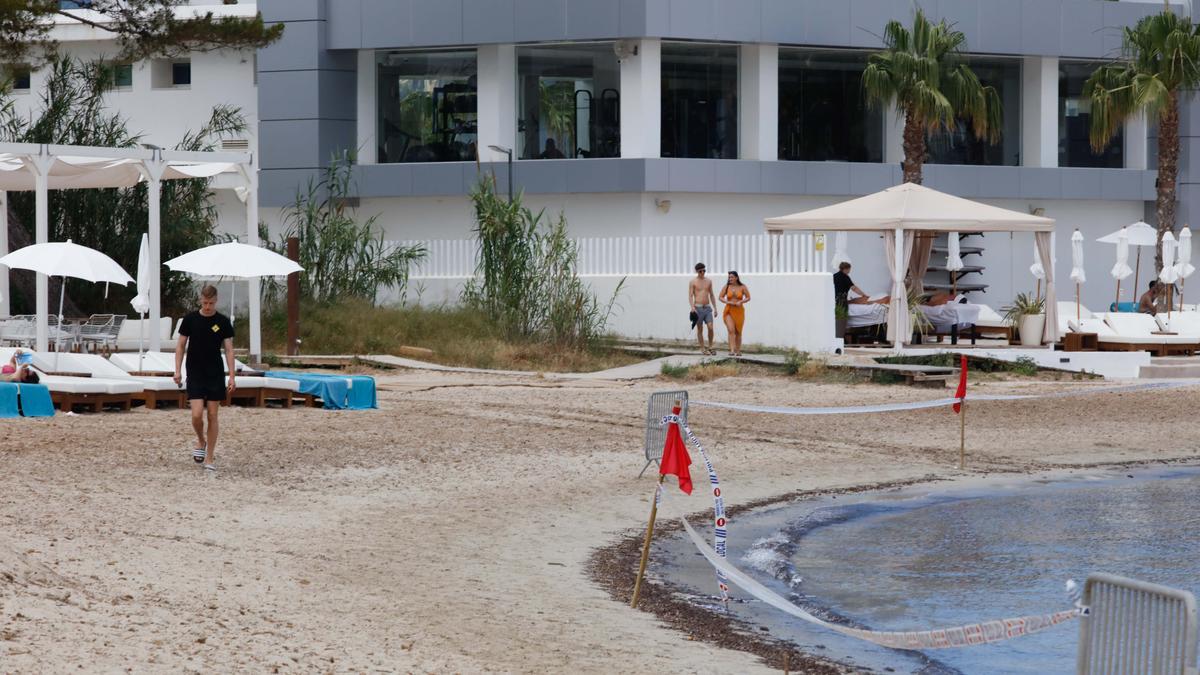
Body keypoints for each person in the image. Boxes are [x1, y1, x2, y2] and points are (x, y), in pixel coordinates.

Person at [174, 285, 236, 473]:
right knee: (196, 414)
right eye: (205, 302)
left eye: (211, 303)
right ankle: (201, 439)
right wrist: (177, 370)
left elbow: (229, 350)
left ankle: (209, 456)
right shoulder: (190, 319)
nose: (208, 306)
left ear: (216, 301)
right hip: (195, 371)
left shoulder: (222, 322)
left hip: (215, 372)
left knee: (213, 414)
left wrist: (232, 376)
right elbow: (180, 346)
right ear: (200, 300)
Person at [689, 262, 717, 355]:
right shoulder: (693, 282)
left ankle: (710, 346)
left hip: (707, 307)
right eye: (700, 271)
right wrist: (692, 307)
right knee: (700, 329)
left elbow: (712, 294)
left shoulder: (708, 281)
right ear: (697, 271)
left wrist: (715, 308)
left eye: (704, 270)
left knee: (710, 327)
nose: (703, 272)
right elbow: (690, 296)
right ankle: (702, 348)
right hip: (698, 308)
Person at [720, 271, 751, 357]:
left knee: (738, 331)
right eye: (729, 277)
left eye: (732, 277)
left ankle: (738, 350)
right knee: (731, 330)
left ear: (736, 278)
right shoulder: (726, 287)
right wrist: (727, 301)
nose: (730, 279)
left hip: (739, 311)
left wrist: (741, 301)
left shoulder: (742, 287)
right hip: (729, 310)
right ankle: (732, 350)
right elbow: (720, 297)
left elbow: (748, 297)